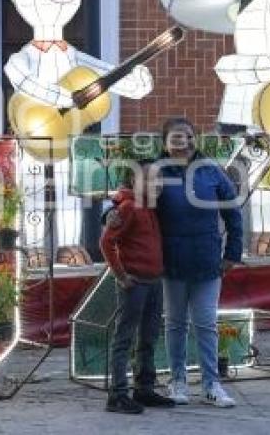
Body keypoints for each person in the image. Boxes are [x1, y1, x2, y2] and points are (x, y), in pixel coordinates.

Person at [156, 117, 243, 408]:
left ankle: (211, 384)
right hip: (171, 263)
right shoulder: (155, 172)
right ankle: (177, 381)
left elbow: (233, 214)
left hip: (207, 262)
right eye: (177, 138)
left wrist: (232, 253)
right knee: (176, 324)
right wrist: (110, 217)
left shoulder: (212, 172)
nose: (184, 143)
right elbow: (129, 202)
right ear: (165, 144)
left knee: (206, 324)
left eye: (189, 137)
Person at [100, 160, 174, 414]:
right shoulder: (129, 207)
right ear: (134, 182)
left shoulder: (150, 207)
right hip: (135, 282)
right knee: (125, 338)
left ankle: (144, 388)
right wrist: (120, 275)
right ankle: (117, 394)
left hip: (154, 282)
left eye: (159, 180)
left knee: (149, 337)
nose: (156, 185)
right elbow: (106, 243)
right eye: (150, 180)